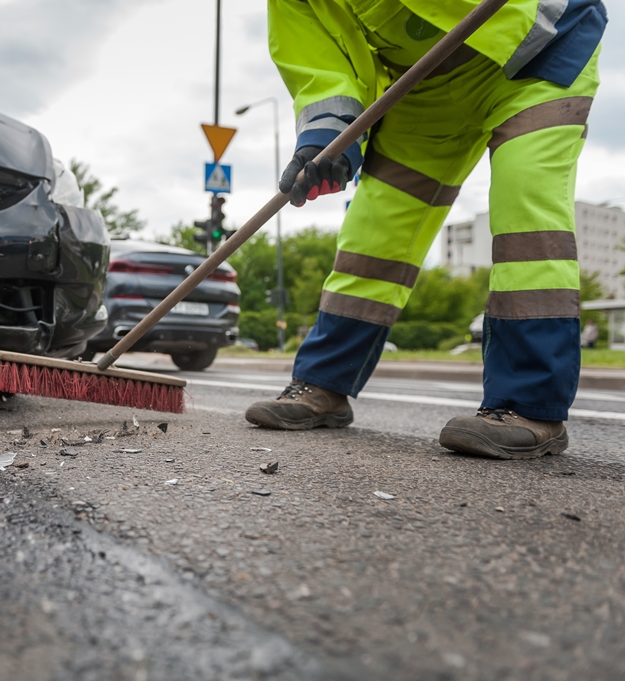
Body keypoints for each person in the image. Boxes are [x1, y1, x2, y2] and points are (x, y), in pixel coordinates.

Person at [245, 0, 606, 460]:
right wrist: (326, 139)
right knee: (374, 234)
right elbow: (321, 68)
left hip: (536, 51)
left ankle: (528, 406)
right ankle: (323, 384)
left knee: (526, 206)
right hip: (423, 89)